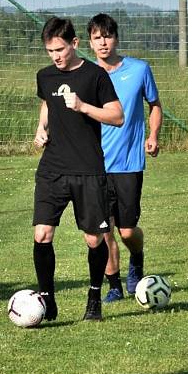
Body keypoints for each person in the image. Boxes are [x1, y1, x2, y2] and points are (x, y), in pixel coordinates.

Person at [33, 17, 124, 322]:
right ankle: (47, 300)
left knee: (94, 240)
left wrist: (84, 106)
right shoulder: (45, 77)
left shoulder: (95, 76)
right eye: (50, 51)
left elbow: (117, 116)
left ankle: (94, 297)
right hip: (52, 168)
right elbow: (47, 102)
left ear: (74, 44)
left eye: (60, 49)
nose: (55, 56)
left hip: (88, 169)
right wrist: (41, 128)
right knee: (42, 234)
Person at [86, 13, 163, 302]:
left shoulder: (139, 70)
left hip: (129, 164)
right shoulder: (87, 75)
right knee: (104, 231)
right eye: (97, 37)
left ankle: (137, 258)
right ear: (90, 43)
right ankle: (114, 285)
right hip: (95, 165)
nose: (103, 42)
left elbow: (155, 105)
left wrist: (153, 136)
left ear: (116, 38)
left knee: (128, 231)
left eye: (107, 36)